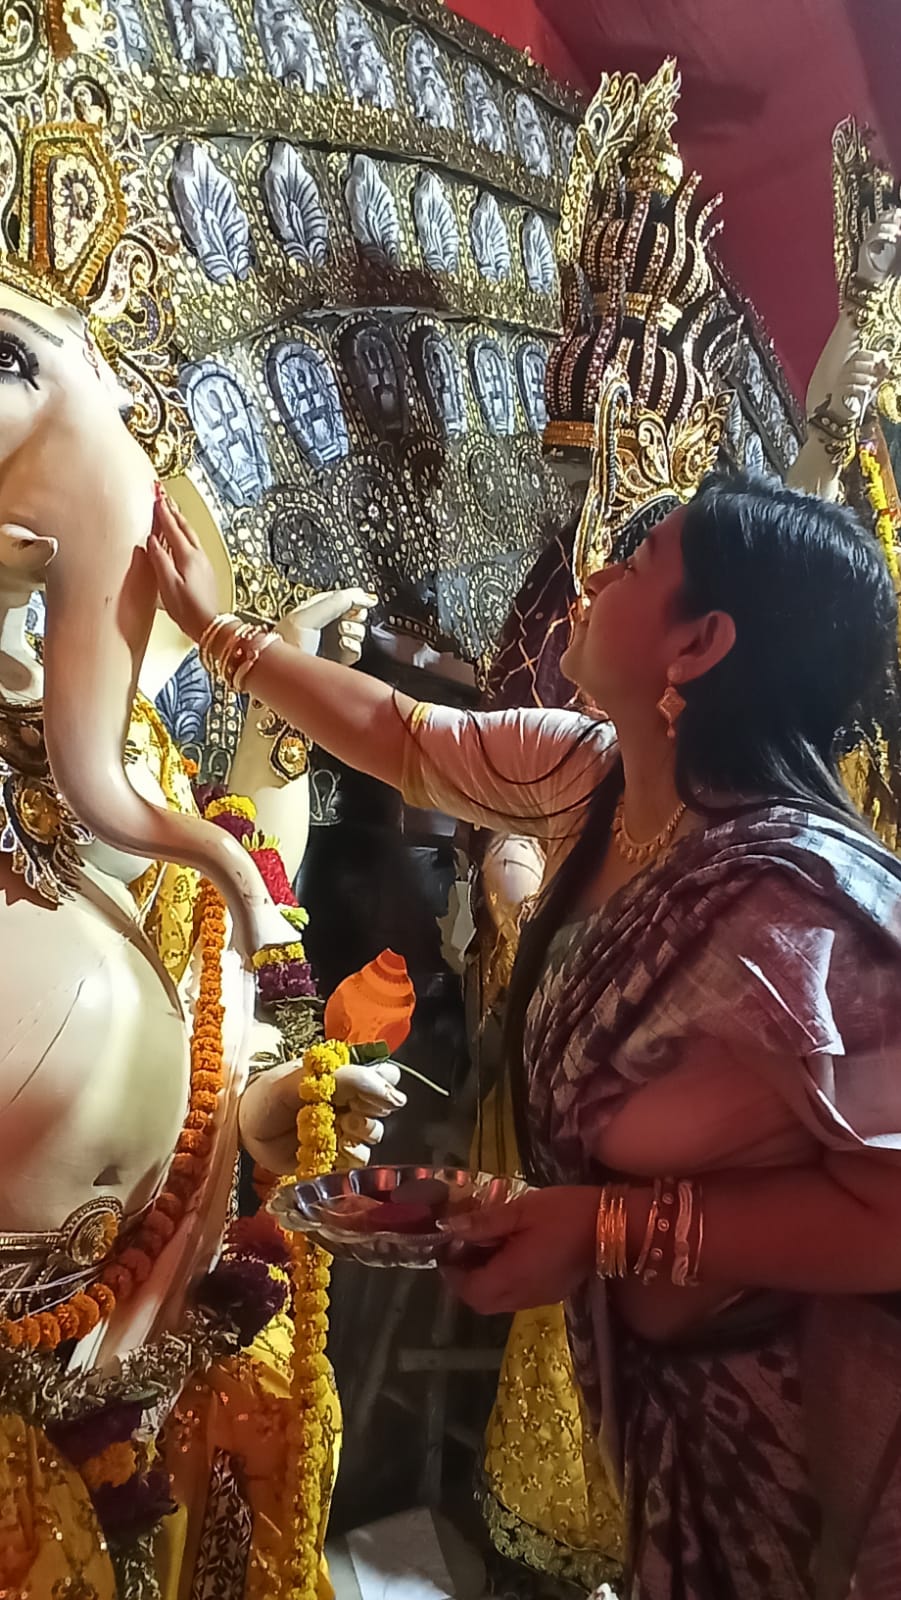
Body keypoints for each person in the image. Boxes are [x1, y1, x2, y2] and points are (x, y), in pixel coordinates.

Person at [150, 472, 901, 1599]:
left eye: (637, 566)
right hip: (668, 1411)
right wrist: (219, 635)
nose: (594, 574)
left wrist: (600, 1227)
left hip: (805, 1416)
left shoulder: (797, 907)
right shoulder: (592, 775)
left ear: (697, 645)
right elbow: (401, 738)